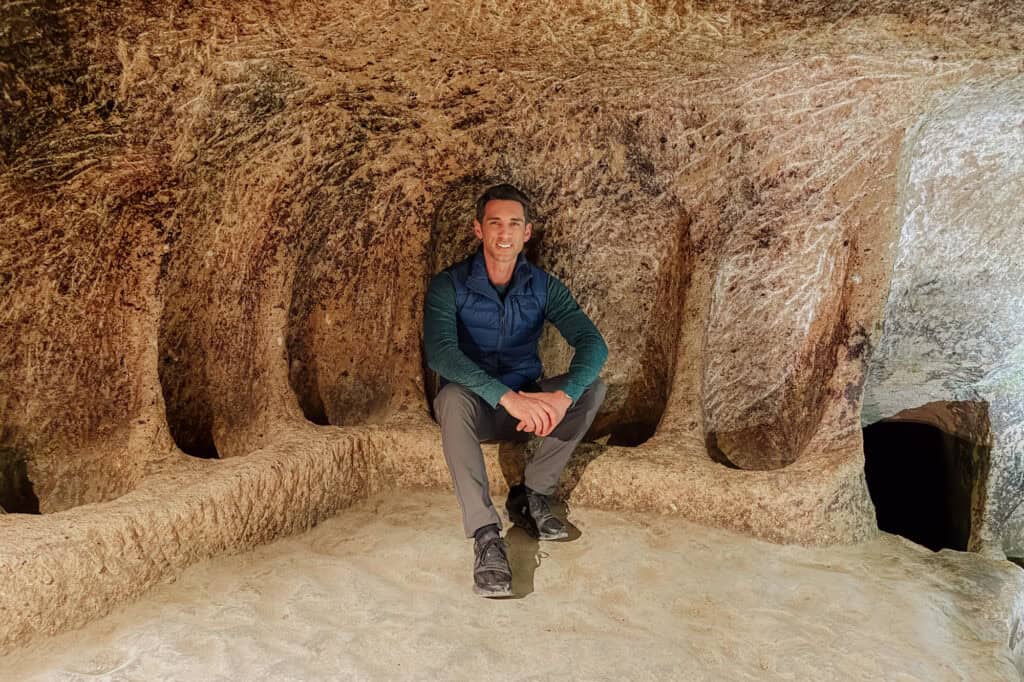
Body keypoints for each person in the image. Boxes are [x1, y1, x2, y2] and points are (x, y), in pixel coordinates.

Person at [423, 184, 608, 597]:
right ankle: (487, 536)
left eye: (513, 224)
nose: (504, 233)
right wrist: (506, 396)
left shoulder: (543, 286)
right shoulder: (448, 285)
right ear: (478, 230)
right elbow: (441, 354)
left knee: (590, 388)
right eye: (494, 224)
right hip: (475, 410)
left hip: (526, 408)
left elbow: (593, 344)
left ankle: (532, 497)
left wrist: (560, 398)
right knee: (450, 397)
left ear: (527, 232)